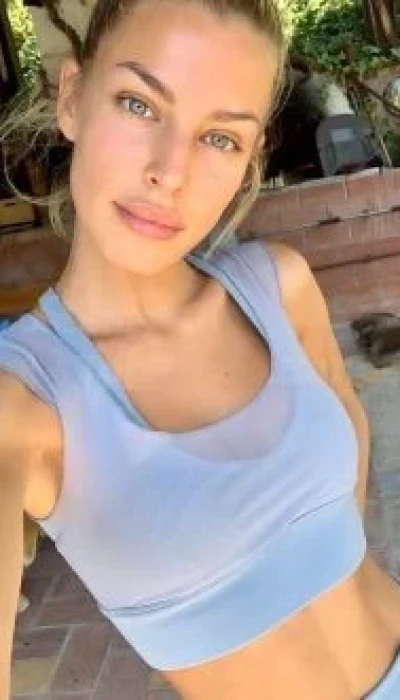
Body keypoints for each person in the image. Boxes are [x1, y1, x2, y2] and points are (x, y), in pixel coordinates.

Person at [1, 1, 400, 698]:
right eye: (139, 104)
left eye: (220, 138)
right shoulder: (25, 404)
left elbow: (350, 421)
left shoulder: (278, 287)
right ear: (72, 98)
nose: (171, 171)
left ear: (250, 159)